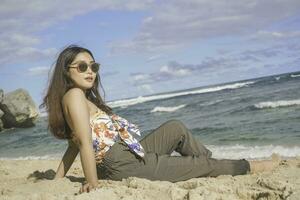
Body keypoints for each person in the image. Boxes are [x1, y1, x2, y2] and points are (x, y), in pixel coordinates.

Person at [40, 45, 278, 194]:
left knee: (176, 128)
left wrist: (58, 178)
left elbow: (74, 142)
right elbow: (82, 143)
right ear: (67, 71)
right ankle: (248, 166)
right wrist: (92, 182)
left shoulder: (81, 97)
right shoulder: (74, 95)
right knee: (200, 165)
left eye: (93, 65)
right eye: (82, 66)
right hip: (121, 164)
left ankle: (205, 166)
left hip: (127, 153)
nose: (90, 71)